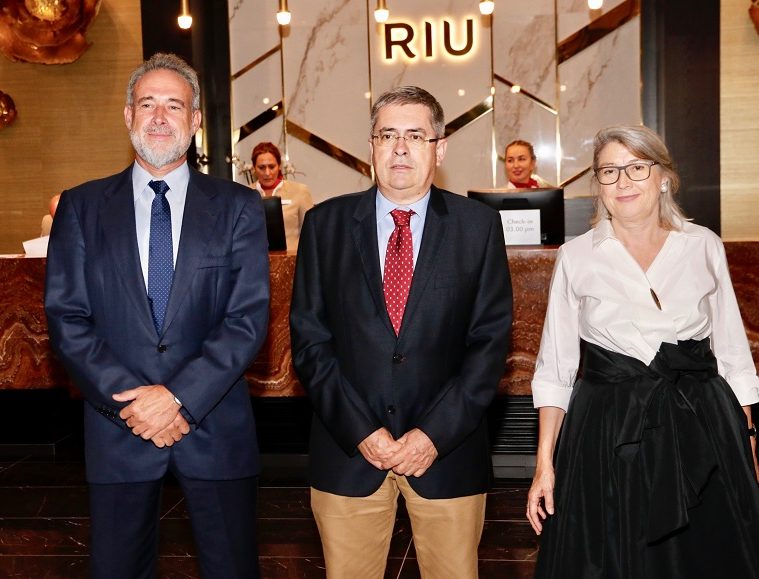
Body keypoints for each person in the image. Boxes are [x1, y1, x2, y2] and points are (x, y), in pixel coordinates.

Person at [44, 53, 270, 579]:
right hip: (117, 426)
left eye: (175, 104)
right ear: (128, 115)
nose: (161, 116)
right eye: (148, 103)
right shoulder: (80, 208)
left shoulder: (239, 207)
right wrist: (137, 403)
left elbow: (247, 318)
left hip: (214, 425)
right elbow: (67, 317)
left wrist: (176, 398)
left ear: (195, 121)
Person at [289, 85, 513, 579]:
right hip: (348, 451)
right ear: (371, 147)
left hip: (447, 454)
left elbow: (489, 343)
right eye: (387, 134)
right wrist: (362, 431)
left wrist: (433, 435)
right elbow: (309, 340)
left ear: (441, 147)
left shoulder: (478, 227)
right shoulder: (325, 225)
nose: (400, 147)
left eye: (415, 135)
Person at [526, 124, 759, 578]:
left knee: (708, 557)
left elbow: (732, 350)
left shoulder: (703, 245)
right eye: (609, 171)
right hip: (609, 431)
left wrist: (747, 438)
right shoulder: (576, 256)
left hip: (701, 422)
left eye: (636, 167)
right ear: (599, 186)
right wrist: (543, 465)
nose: (623, 182)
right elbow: (554, 367)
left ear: (663, 177)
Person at [250, 141, 313, 250]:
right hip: (256, 261)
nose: (267, 173)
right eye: (261, 167)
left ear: (279, 166)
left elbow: (311, 233)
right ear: (254, 168)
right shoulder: (245, 193)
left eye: (271, 166)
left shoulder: (299, 191)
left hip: (292, 262)